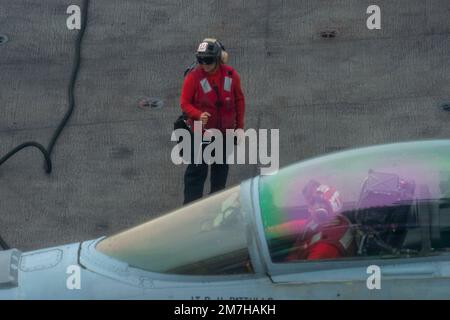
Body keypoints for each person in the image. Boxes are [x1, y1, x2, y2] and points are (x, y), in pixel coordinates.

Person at [180, 38, 245, 204]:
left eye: (208, 60)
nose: (204, 64)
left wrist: (240, 127)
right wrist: (197, 114)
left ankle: (215, 208)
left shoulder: (231, 75)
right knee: (196, 172)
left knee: (220, 173)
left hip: (224, 134)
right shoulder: (194, 78)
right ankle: (190, 211)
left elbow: (239, 100)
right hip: (201, 135)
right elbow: (184, 103)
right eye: (200, 60)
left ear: (218, 58)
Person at [267, 180, 355, 261]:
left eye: (312, 203)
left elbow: (302, 275)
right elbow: (297, 226)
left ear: (322, 212)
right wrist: (267, 232)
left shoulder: (323, 250)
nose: (309, 209)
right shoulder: (323, 222)